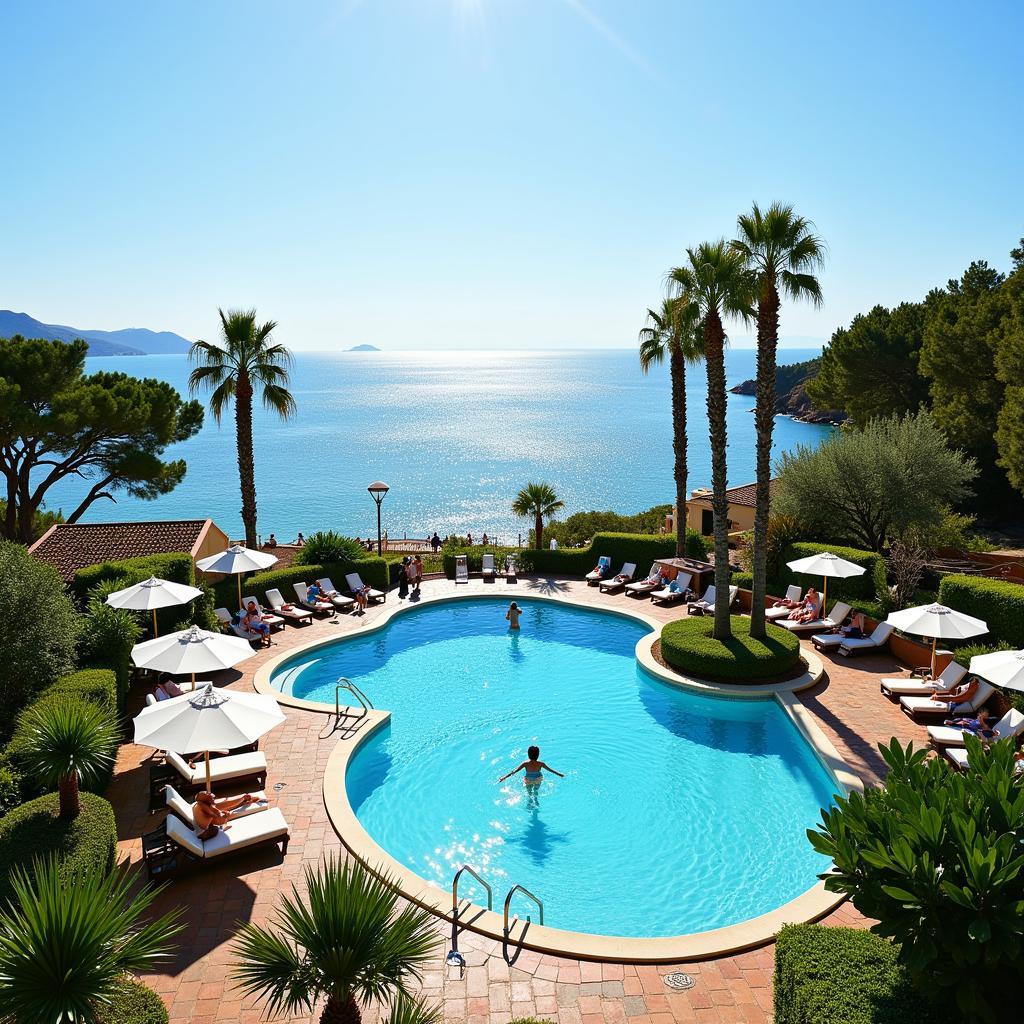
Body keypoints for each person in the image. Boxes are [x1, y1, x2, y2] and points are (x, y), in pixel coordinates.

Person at [192, 789, 258, 840]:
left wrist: (242, 799)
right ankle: (242, 802)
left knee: (223, 809)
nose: (210, 794)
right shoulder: (206, 808)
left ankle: (242, 803)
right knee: (224, 815)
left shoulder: (197, 805)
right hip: (205, 832)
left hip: (202, 827)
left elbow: (223, 805)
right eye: (207, 793)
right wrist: (225, 816)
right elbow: (221, 820)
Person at [499, 745, 564, 785]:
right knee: (535, 794)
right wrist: (559, 774)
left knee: (529, 794)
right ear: (538, 755)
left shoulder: (525, 764)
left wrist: (504, 777)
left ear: (528, 754)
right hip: (538, 778)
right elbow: (550, 770)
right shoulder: (541, 764)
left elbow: (514, 771)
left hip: (528, 779)